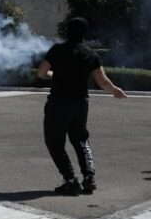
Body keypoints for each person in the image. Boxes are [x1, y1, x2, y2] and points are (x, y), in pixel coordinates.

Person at [37, 17, 127, 196]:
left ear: (67, 31)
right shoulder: (91, 55)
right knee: (80, 139)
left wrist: (54, 74)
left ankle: (70, 179)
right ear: (84, 33)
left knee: (54, 142)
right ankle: (89, 177)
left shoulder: (57, 50)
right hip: (80, 104)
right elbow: (102, 81)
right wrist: (115, 90)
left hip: (59, 103)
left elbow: (41, 72)